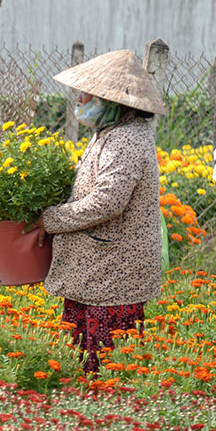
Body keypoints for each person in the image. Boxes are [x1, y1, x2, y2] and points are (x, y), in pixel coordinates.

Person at [31, 48, 166, 373]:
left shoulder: (126, 142)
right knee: (79, 363)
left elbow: (107, 203)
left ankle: (105, 419)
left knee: (107, 370)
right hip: (97, 272)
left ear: (112, 101)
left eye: (87, 94)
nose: (79, 99)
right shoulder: (109, 134)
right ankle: (85, 417)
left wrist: (50, 220)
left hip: (113, 276)